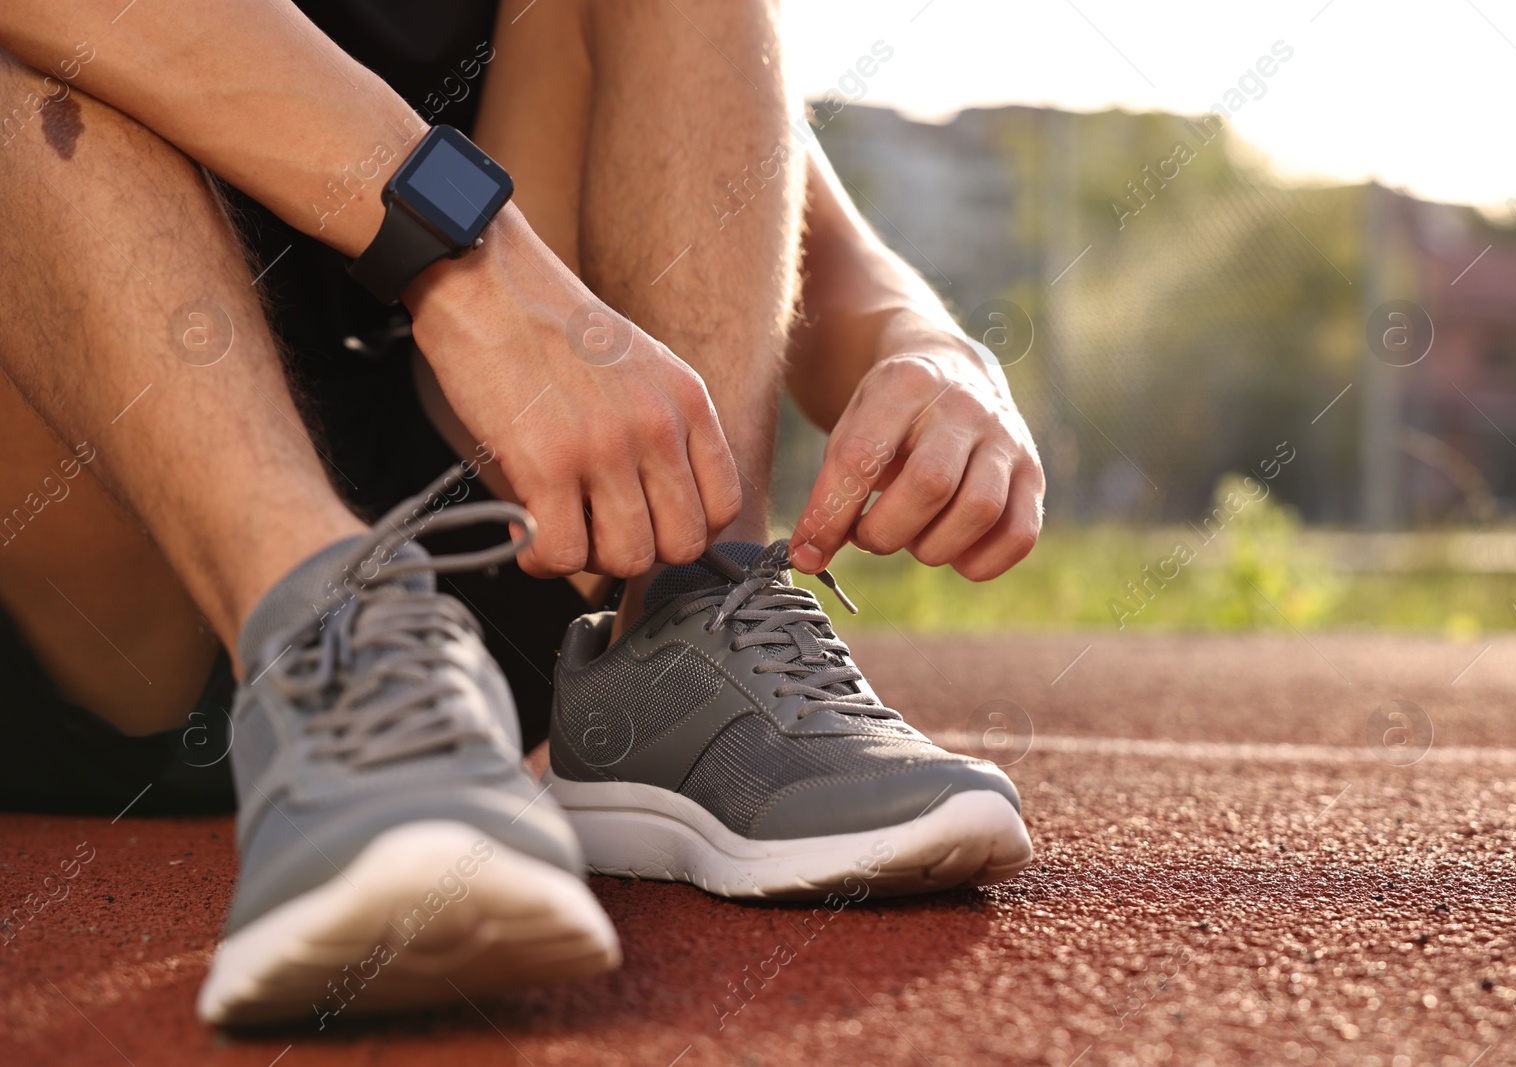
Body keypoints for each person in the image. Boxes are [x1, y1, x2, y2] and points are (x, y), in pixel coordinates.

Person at [0, 0, 1045, 1026]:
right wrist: (468, 257)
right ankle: (322, 631)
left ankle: (686, 626)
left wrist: (935, 350)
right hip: (126, 598)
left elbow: (792, 207)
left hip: (524, 544)